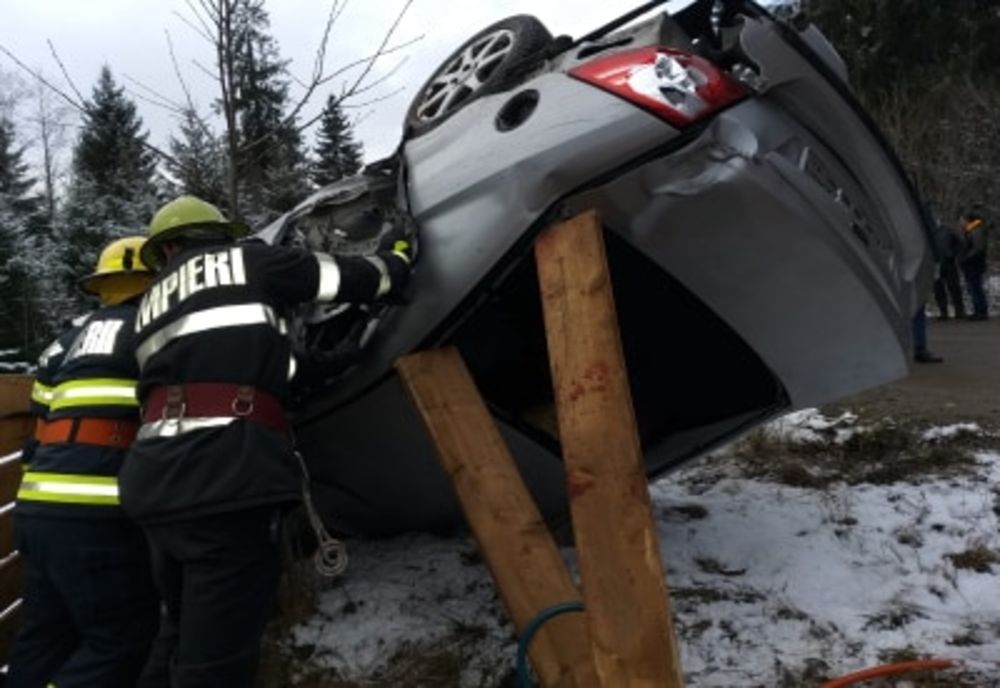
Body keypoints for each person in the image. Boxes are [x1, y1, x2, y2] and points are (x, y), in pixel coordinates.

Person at [119, 195, 415, 687]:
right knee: (218, 661)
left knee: (179, 633)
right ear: (220, 236)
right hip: (224, 477)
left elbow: (245, 368)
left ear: (167, 250)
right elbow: (351, 279)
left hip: (155, 481)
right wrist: (396, 259)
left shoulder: (151, 305)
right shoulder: (250, 261)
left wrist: (332, 361)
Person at [8, 237, 160, 687]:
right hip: (97, 514)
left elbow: (40, 419)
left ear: (103, 286)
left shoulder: (65, 344)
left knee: (45, 636)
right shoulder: (155, 332)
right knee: (122, 639)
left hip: (36, 511)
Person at [932, 220, 965, 319]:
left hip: (949, 263)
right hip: (935, 265)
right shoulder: (928, 232)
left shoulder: (948, 231)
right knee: (938, 290)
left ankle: (959, 311)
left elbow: (960, 245)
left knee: (954, 287)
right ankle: (943, 312)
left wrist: (953, 254)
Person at [959, 210, 989, 320]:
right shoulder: (970, 231)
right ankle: (978, 310)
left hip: (974, 264)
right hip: (971, 264)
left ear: (968, 220)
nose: (960, 222)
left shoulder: (976, 231)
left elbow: (978, 248)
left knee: (976, 288)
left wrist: (965, 257)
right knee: (973, 288)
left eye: (962, 220)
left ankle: (981, 311)